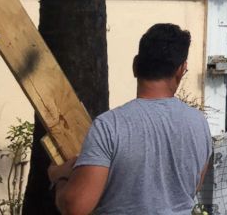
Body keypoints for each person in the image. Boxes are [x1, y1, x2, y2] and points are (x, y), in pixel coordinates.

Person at [46, 24, 212, 215]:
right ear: (181, 70)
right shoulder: (199, 123)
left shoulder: (110, 126)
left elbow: (75, 207)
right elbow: (195, 185)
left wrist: (59, 177)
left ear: (135, 65)